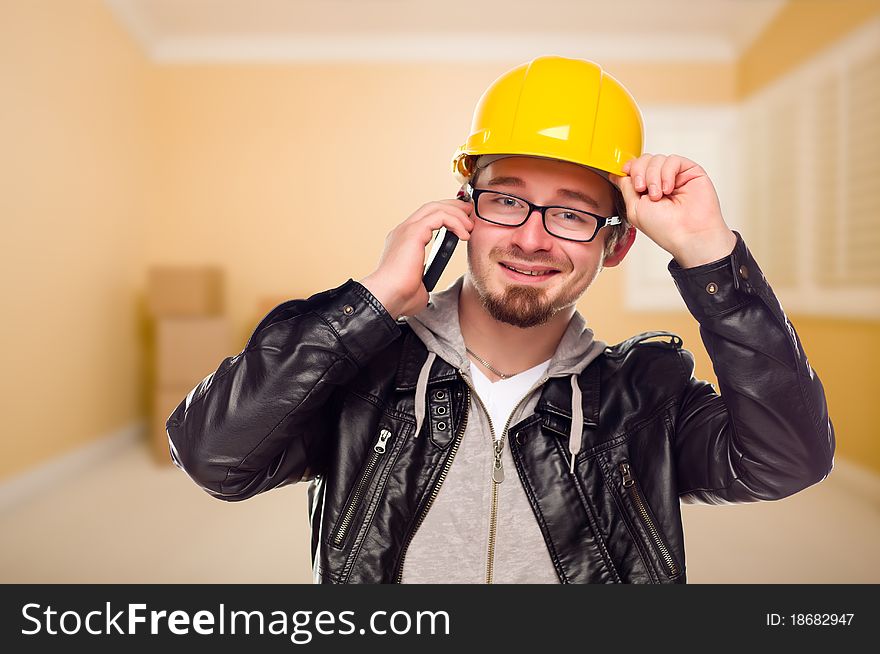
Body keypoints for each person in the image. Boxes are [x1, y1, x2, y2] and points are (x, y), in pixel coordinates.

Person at [166, 56, 835, 584]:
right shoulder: (362, 376)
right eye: (506, 201)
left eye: (571, 213)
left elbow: (788, 459)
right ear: (464, 212)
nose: (532, 239)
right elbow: (213, 455)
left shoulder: (644, 399)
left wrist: (710, 255)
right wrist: (368, 304)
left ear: (616, 243)